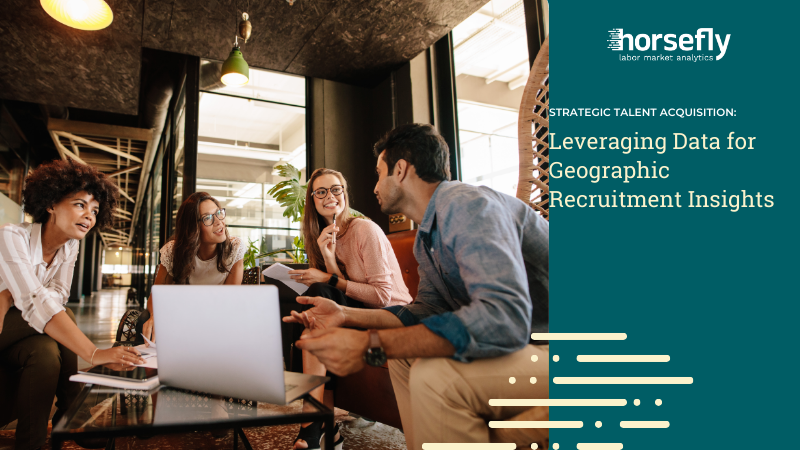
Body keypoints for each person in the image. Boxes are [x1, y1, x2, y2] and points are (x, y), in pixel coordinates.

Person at [284, 124, 549, 449]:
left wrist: (370, 344)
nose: (375, 186)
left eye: (379, 174)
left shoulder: (467, 204)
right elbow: (423, 311)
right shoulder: (429, 236)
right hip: (529, 344)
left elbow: (503, 318)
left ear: (401, 169)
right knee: (405, 358)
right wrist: (343, 314)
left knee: (437, 379)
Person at [0, 159, 146, 450]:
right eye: (80, 205)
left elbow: (56, 294)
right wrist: (94, 353)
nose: (89, 216)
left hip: (22, 333)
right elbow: (36, 301)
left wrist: (12, 296)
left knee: (43, 353)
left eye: (94, 210)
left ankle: (32, 443)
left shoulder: (70, 246)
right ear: (51, 204)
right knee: (60, 313)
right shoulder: (11, 236)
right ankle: (72, 408)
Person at [286, 168, 412, 450]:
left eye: (336, 189)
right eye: (321, 192)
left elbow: (381, 296)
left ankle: (312, 425)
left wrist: (329, 278)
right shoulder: (322, 237)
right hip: (357, 312)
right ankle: (326, 429)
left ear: (344, 193)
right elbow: (339, 289)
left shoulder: (364, 229)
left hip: (392, 315)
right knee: (311, 304)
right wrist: (329, 259)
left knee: (318, 298)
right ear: (313, 200)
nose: (329, 196)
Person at [141, 192, 246, 342]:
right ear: (192, 227)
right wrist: (154, 317)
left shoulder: (234, 249)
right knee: (145, 321)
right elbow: (156, 295)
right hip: (180, 318)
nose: (218, 222)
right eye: (208, 218)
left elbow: (229, 302)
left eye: (218, 213)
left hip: (218, 320)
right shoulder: (173, 251)